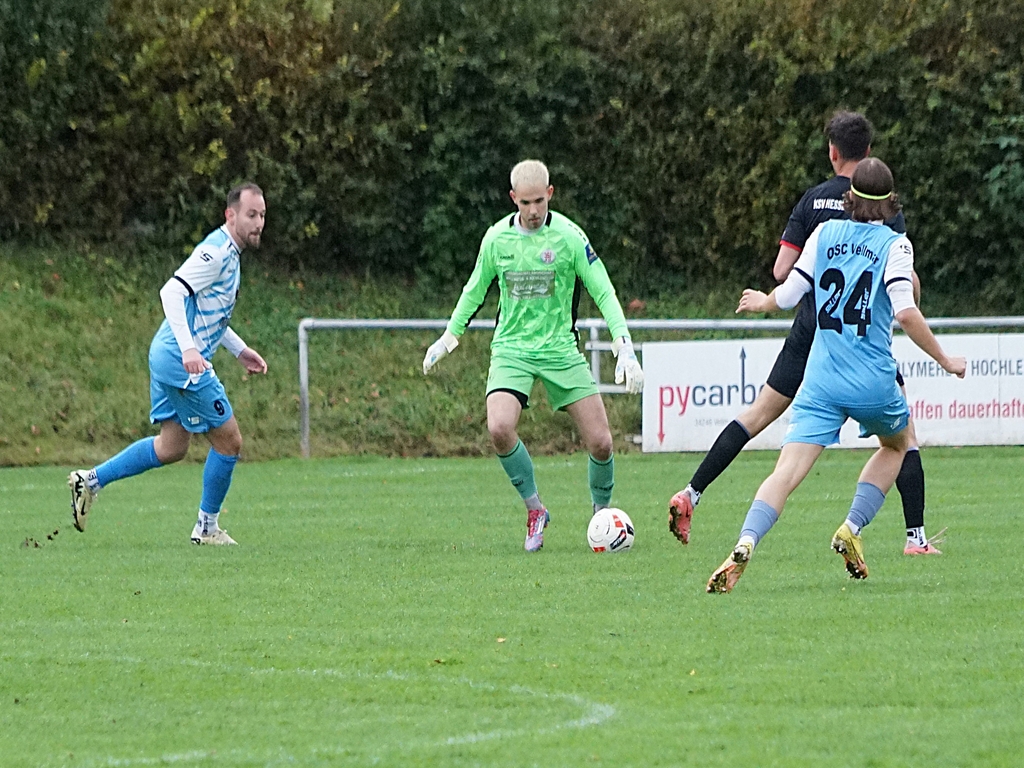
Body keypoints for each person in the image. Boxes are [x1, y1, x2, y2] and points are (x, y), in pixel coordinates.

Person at [668, 111, 943, 556]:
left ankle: (692, 492)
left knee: (756, 417)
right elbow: (905, 286)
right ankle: (915, 537)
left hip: (811, 328)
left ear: (832, 153)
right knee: (901, 436)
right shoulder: (884, 212)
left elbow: (783, 272)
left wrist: (771, 296)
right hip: (857, 339)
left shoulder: (813, 201)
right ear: (867, 152)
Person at [706, 158, 965, 593]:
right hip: (872, 380)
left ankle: (745, 541)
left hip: (821, 380)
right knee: (898, 444)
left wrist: (762, 301)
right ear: (891, 202)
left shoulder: (824, 233)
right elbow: (906, 312)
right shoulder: (896, 245)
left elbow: (789, 294)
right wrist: (945, 360)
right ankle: (851, 526)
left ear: (850, 198)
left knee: (785, 472)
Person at [422, 159, 643, 552]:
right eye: (525, 203)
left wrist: (623, 345)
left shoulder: (569, 237)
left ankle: (602, 519)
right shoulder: (496, 239)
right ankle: (535, 509)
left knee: (601, 443)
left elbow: (603, 290)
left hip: (560, 348)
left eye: (539, 201)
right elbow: (474, 290)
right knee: (499, 428)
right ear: (513, 199)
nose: (534, 210)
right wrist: (448, 338)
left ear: (550, 194)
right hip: (512, 349)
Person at [68, 183, 269, 545]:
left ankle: (91, 481)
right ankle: (207, 529)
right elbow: (171, 291)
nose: (258, 223)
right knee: (229, 441)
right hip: (179, 359)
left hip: (166, 354)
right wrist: (189, 350)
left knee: (172, 446)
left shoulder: (230, 255)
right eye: (251, 215)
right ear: (231, 215)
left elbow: (208, 312)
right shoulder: (215, 252)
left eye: (262, 215)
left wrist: (239, 350)